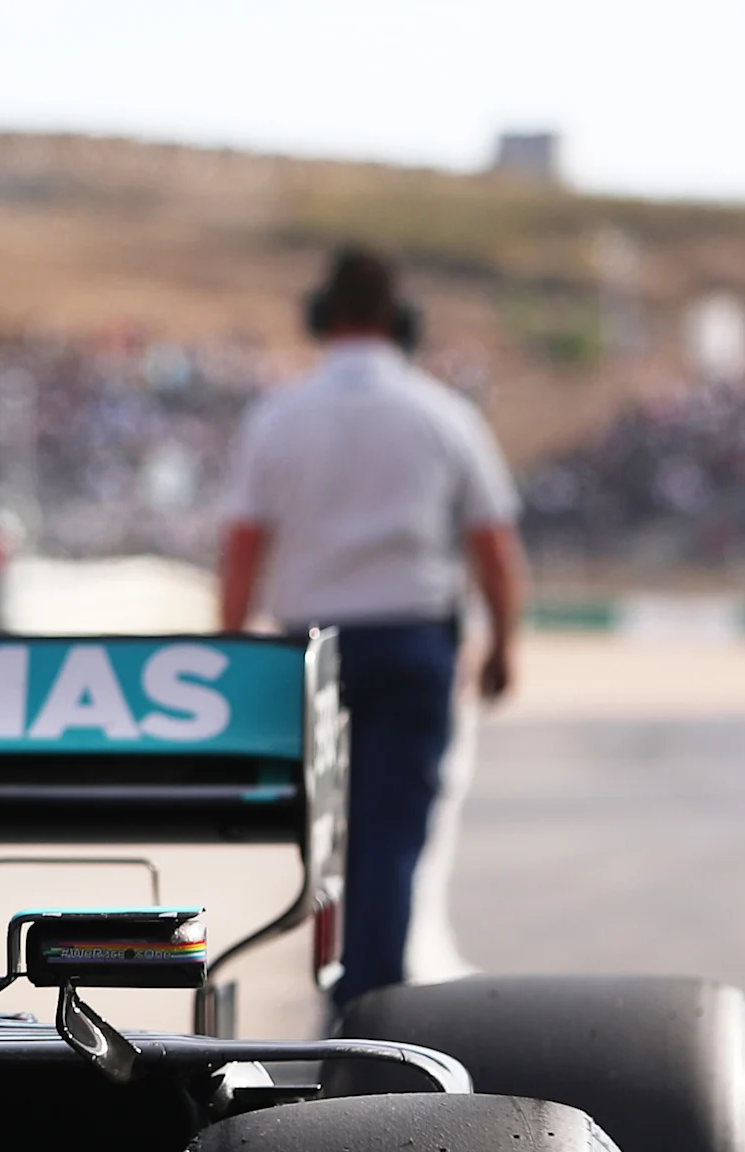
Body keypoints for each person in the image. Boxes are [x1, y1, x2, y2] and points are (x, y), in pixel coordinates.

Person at [214, 246, 524, 1000]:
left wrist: (224, 649)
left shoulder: (280, 415)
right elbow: (493, 544)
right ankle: (371, 1000)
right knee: (390, 835)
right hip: (413, 645)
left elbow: (244, 544)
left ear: (322, 319)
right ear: (404, 324)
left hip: (309, 653)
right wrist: (505, 645)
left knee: (320, 834)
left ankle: (329, 983)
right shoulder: (442, 414)